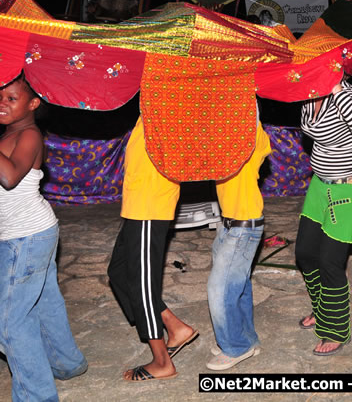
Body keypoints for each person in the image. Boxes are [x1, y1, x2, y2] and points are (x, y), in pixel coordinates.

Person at [107, 110, 272, 380]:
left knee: (220, 290)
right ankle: (239, 338)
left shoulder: (249, 140)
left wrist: (244, 108)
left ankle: (229, 347)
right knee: (238, 286)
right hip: (227, 224)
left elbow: (248, 129)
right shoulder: (225, 140)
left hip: (242, 225)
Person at [0, 76, 88, 401]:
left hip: (25, 237)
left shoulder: (30, 134)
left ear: (33, 104)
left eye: (11, 98)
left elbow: (9, 177)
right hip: (30, 234)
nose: (2, 103)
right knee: (44, 302)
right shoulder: (8, 134)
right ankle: (67, 363)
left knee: (10, 323)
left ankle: (37, 396)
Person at [295, 77, 352, 356]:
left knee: (329, 259)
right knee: (305, 253)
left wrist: (337, 89)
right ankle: (323, 309)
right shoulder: (309, 92)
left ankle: (335, 328)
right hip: (321, 183)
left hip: (351, 185)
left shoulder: (347, 93)